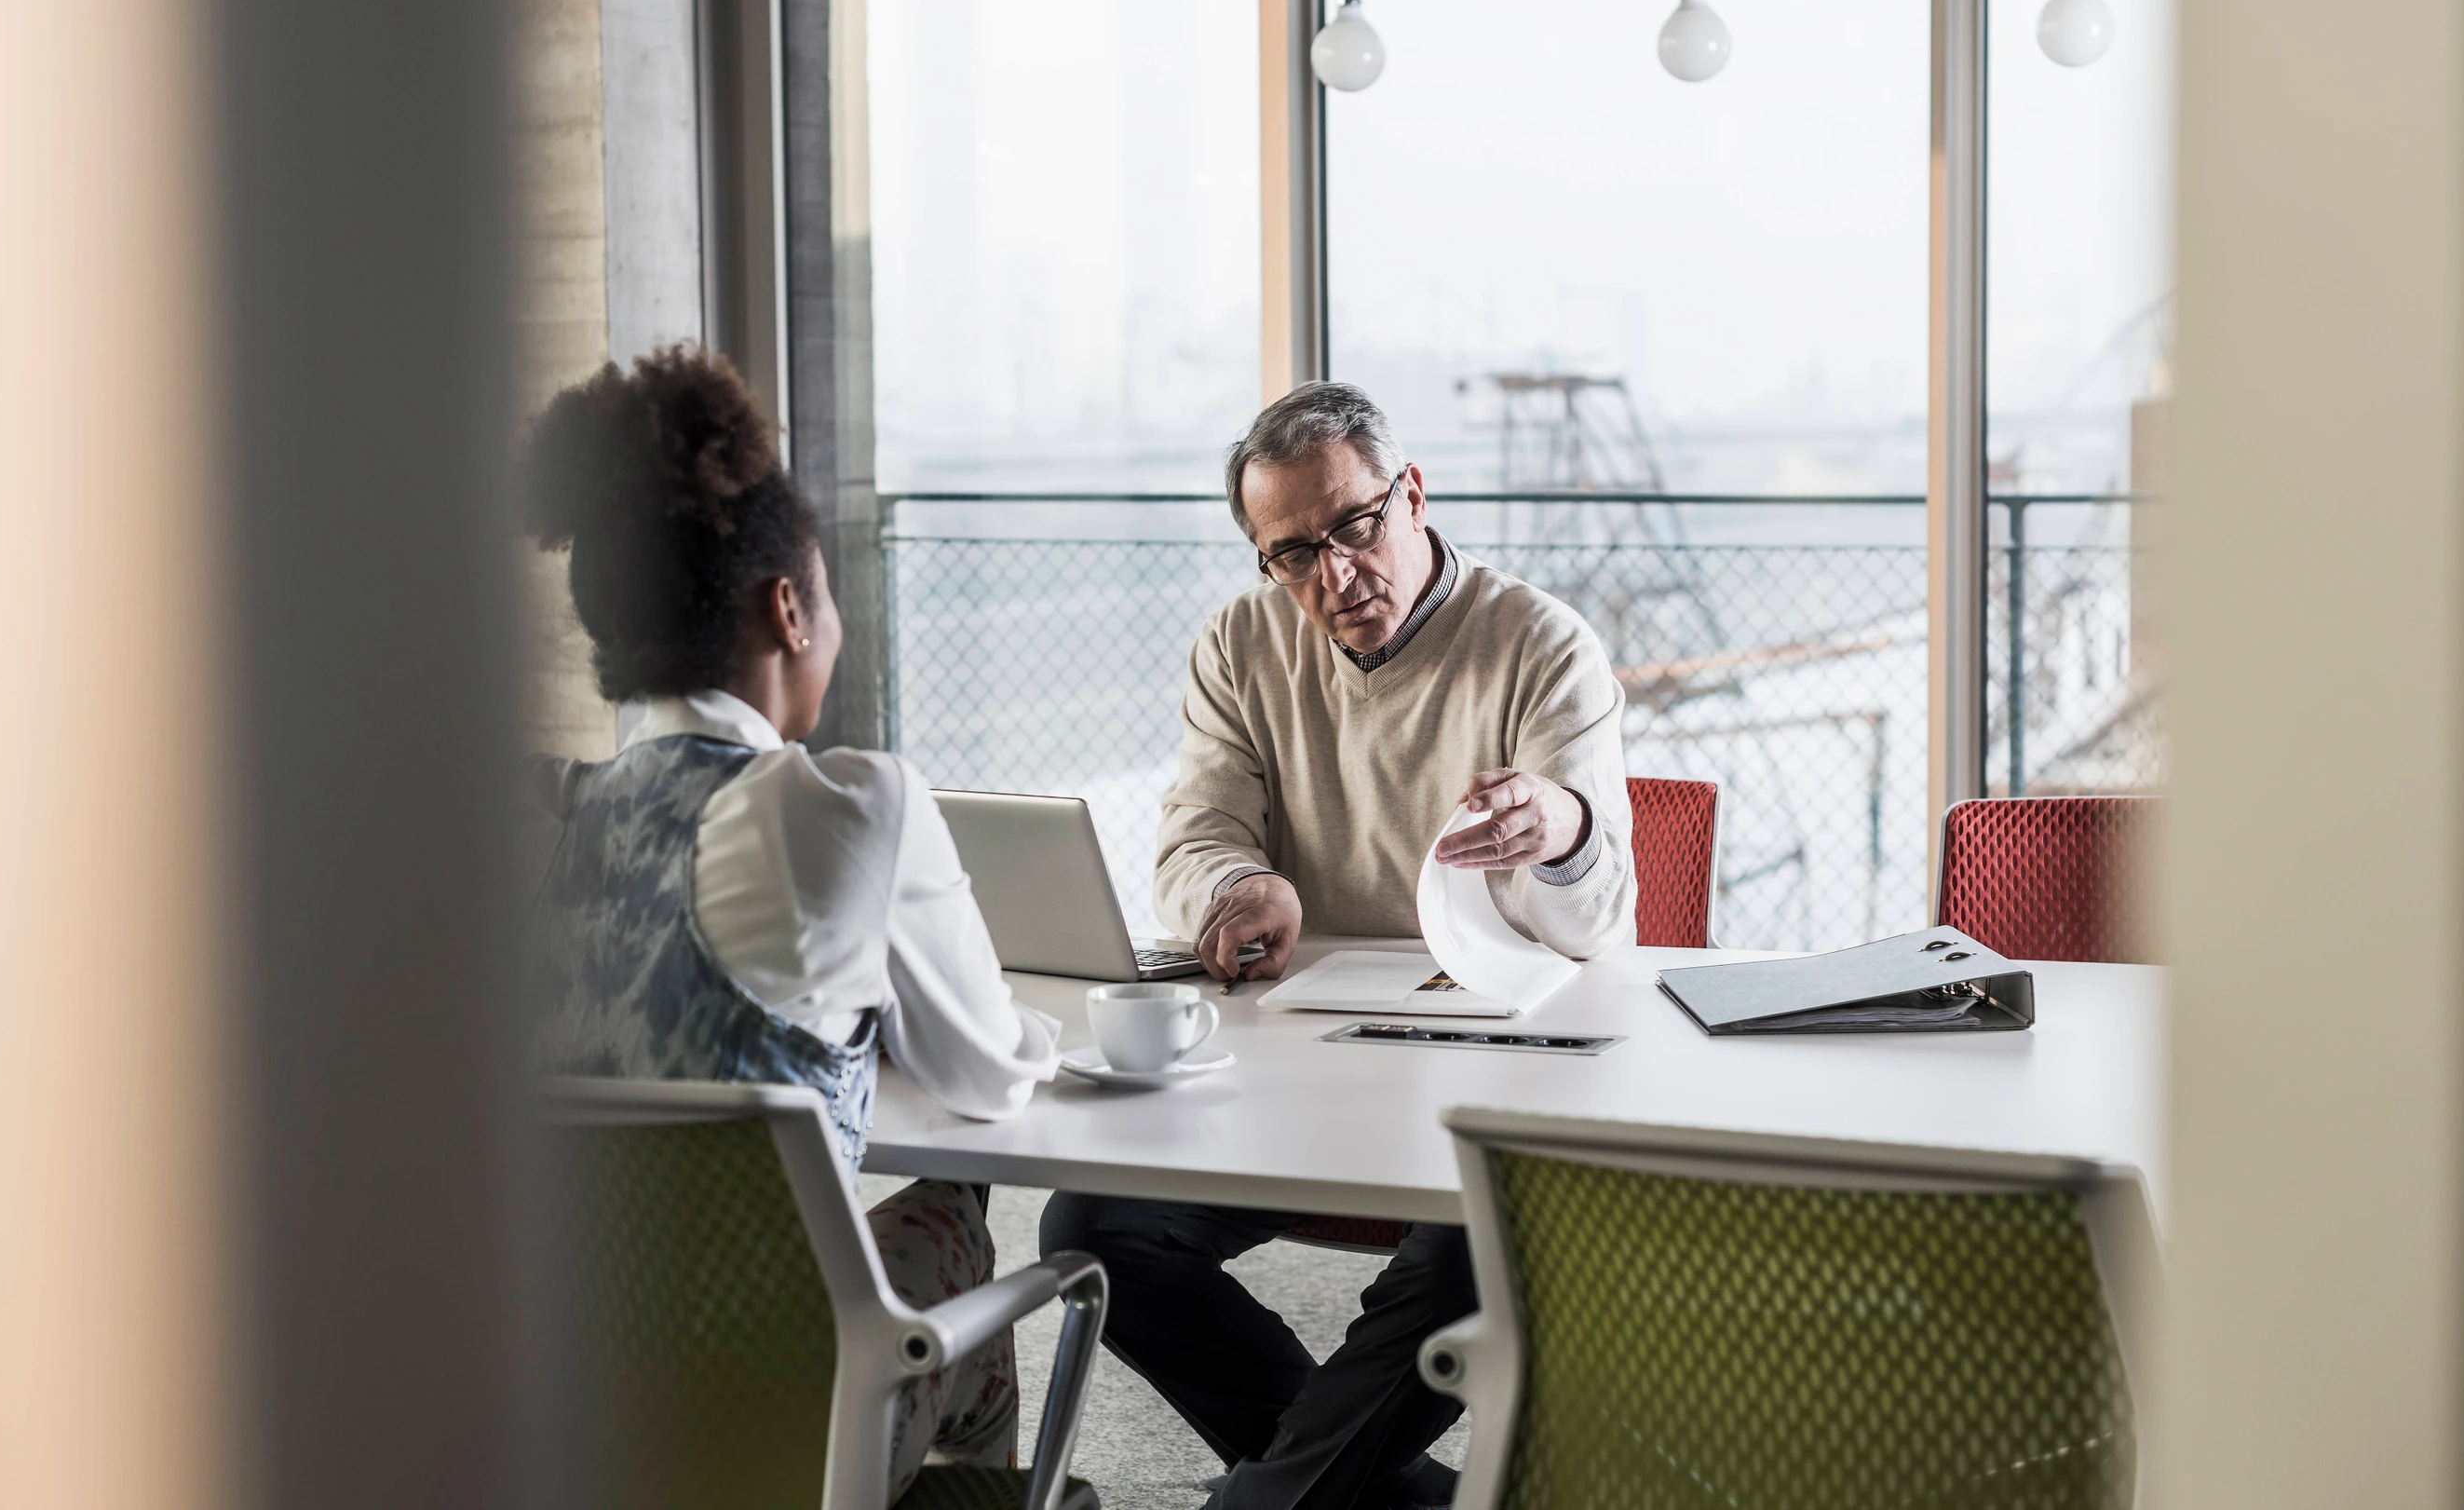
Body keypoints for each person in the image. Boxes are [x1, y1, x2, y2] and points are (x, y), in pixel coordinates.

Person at [1042, 381, 1637, 1510]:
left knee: (1483, 1256)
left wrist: (1562, 829)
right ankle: (1373, 1495)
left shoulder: (1539, 641)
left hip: (1489, 1069)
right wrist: (1238, 883)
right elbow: (1194, 839)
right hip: (1303, 1064)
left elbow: (1598, 922)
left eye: (1356, 526)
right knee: (1093, 1227)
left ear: (1409, 494)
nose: (1335, 574)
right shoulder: (1242, 640)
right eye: (1294, 552)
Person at [525, 346, 1062, 1501]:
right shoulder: (840, 806)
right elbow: (984, 1074)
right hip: (787, 1424)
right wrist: (1049, 1036)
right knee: (953, 1226)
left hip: (572, 1417)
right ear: (787, 608)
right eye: (829, 595)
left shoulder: (561, 814)